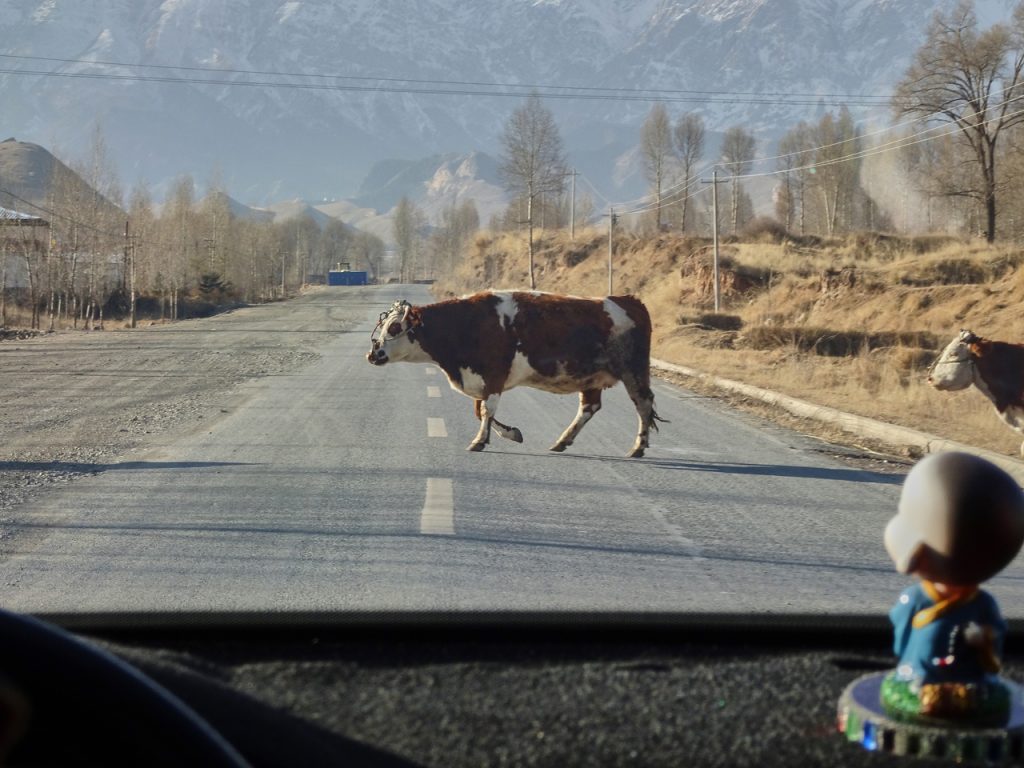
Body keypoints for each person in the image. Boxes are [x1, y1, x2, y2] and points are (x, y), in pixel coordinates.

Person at [881, 451, 1024, 724]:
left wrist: (984, 640)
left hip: (937, 673)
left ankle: (922, 682)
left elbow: (902, 637)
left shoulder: (914, 600)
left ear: (918, 553)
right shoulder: (981, 605)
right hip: (946, 675)